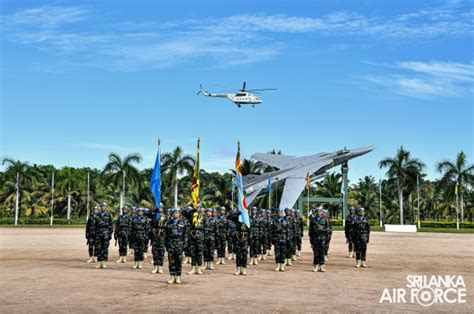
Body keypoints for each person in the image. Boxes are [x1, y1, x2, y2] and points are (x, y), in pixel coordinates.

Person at [164, 208, 188, 284]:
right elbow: (165, 235)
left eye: (177, 213)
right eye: (174, 213)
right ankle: (172, 276)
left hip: (179, 244)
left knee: (178, 261)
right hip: (171, 244)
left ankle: (178, 277)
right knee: (171, 261)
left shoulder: (183, 222)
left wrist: (185, 245)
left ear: (179, 214)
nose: (175, 214)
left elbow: (186, 235)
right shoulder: (168, 223)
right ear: (172, 214)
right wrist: (166, 245)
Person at [183, 205, 205, 275]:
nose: (198, 209)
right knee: (193, 252)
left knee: (199, 253)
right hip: (192, 235)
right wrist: (193, 210)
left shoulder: (203, 217)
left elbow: (206, 227)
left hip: (200, 235)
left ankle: (198, 268)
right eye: (197, 208)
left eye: (199, 208)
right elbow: (183, 212)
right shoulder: (191, 215)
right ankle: (193, 268)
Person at [229, 209, 249, 276]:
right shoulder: (232, 222)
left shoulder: (245, 221)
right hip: (236, 241)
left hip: (244, 240)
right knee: (238, 255)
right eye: (234, 214)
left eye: (236, 214)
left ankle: (244, 269)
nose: (235, 216)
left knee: (244, 255)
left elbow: (248, 231)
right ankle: (238, 269)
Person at [309, 207, 329, 272]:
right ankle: (316, 266)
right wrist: (311, 241)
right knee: (316, 253)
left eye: (321, 211)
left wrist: (322, 231)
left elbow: (328, 230)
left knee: (322, 252)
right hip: (315, 238)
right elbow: (310, 231)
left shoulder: (325, 219)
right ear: (316, 212)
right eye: (318, 211)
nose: (319, 213)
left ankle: (322, 266)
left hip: (322, 238)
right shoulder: (313, 220)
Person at [95, 203, 114, 269]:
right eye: (102, 206)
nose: (103, 207)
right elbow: (95, 225)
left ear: (106, 207)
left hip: (106, 234)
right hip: (98, 234)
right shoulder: (97, 214)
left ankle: (104, 262)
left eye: (104, 206)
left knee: (105, 248)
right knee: (98, 248)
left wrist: (109, 234)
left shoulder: (109, 215)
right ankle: (99, 262)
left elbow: (111, 225)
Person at [150, 204, 167, 274]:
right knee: (154, 251)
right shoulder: (154, 216)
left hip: (162, 236)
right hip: (155, 235)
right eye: (158, 208)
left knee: (161, 252)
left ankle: (160, 267)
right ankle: (155, 267)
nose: (159, 209)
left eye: (161, 208)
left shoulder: (165, 216)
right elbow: (148, 213)